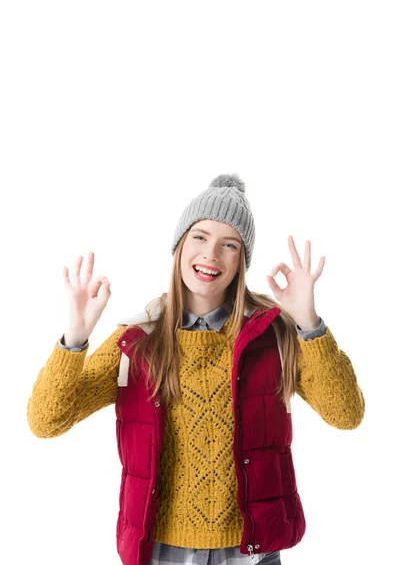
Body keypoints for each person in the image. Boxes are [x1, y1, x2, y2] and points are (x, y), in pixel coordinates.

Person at [26, 172, 365, 565]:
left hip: (251, 550)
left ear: (242, 260)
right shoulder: (138, 340)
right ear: (180, 245)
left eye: (229, 245)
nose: (211, 255)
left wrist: (308, 322)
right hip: (161, 550)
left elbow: (347, 414)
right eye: (200, 237)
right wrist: (75, 337)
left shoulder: (273, 333)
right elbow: (45, 421)